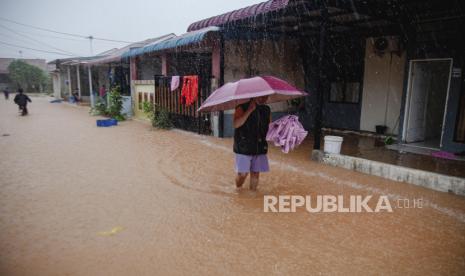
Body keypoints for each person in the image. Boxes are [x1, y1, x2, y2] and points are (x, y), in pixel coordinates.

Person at [233, 96, 271, 191]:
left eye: (266, 96)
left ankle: (253, 195)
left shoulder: (266, 109)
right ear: (254, 95)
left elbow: (269, 127)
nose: (264, 98)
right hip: (244, 146)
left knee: (255, 173)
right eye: (261, 96)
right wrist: (249, 111)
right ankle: (238, 189)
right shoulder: (241, 107)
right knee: (242, 174)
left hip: (260, 145)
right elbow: (236, 124)